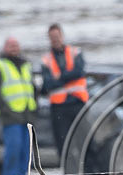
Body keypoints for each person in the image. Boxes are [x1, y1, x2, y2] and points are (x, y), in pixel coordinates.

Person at [0, 37, 38, 175]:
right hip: (11, 118)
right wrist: (5, 111)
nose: (14, 48)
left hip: (27, 116)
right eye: (11, 46)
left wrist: (34, 110)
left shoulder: (26, 65)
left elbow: (33, 88)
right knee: (13, 152)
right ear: (5, 48)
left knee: (26, 154)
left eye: (16, 45)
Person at [41, 23, 88, 157]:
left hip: (78, 103)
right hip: (59, 107)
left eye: (57, 36)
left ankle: (88, 172)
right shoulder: (46, 60)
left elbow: (79, 72)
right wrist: (68, 76)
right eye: (52, 37)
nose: (55, 39)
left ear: (62, 35)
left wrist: (59, 77)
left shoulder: (75, 52)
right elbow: (47, 84)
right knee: (63, 146)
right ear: (49, 38)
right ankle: (68, 172)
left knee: (85, 142)